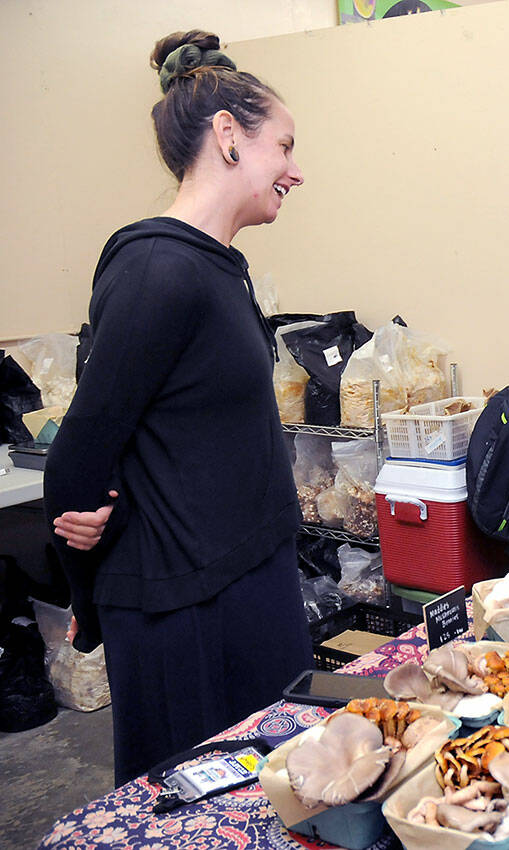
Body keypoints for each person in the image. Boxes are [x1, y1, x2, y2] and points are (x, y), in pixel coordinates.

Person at [43, 30, 311, 785]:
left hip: (249, 576)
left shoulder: (221, 268)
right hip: (180, 609)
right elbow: (79, 456)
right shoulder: (156, 269)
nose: (296, 170)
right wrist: (86, 592)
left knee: (277, 796)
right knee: (191, 814)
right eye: (284, 146)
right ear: (228, 137)